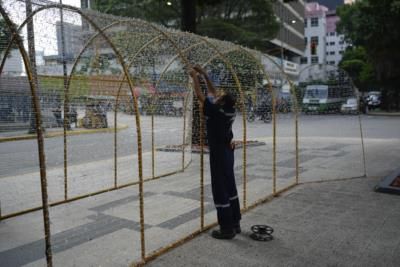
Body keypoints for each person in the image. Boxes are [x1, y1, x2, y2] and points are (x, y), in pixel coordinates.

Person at [189, 65, 241, 240]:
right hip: (227, 151)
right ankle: (235, 223)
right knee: (230, 185)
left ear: (221, 102)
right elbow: (213, 93)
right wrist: (203, 74)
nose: (216, 96)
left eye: (219, 97)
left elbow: (200, 95)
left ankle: (226, 229)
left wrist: (194, 77)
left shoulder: (216, 111)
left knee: (220, 188)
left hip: (219, 152)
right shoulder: (230, 109)